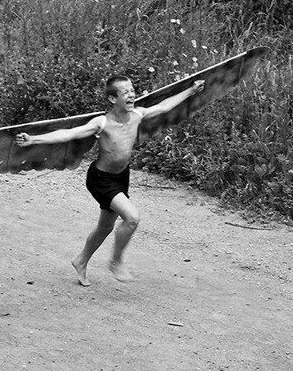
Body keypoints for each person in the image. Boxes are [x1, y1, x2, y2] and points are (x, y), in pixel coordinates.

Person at [15, 75, 203, 286]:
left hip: (121, 177)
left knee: (105, 227)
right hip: (100, 179)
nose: (131, 94)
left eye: (133, 90)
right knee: (132, 218)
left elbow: (163, 106)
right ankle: (115, 261)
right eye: (125, 92)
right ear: (113, 99)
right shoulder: (102, 123)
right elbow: (69, 134)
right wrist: (34, 140)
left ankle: (81, 261)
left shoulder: (138, 115)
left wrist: (191, 91)